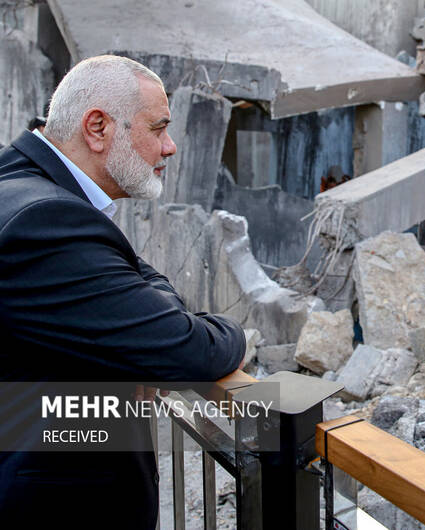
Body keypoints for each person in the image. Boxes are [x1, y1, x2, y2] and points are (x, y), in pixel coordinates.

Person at [0, 55, 246, 528]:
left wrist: (146, 293)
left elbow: (140, 277)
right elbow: (189, 351)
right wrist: (228, 330)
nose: (169, 147)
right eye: (158, 128)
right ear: (98, 127)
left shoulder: (23, 188)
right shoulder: (48, 220)